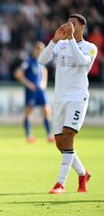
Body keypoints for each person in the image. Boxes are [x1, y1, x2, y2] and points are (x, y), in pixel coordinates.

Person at [38, 14, 97, 194]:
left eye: (73, 23)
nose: (69, 25)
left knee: (68, 135)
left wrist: (70, 39)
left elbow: (82, 62)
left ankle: (60, 183)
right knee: (60, 143)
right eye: (68, 22)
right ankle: (82, 173)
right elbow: (41, 60)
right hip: (60, 98)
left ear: (82, 27)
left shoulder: (90, 47)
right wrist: (54, 41)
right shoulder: (61, 45)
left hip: (77, 97)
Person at [14, 41, 54, 143]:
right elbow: (18, 73)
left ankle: (50, 135)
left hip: (40, 91)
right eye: (38, 50)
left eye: (42, 50)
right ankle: (29, 136)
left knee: (46, 111)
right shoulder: (28, 62)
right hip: (31, 92)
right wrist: (29, 84)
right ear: (34, 50)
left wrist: (44, 83)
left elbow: (44, 71)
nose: (40, 52)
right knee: (28, 113)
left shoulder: (41, 63)